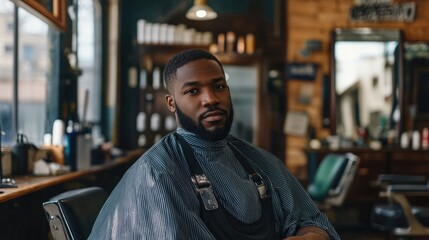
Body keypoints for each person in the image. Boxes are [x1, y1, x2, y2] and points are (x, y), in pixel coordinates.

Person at [89, 49, 340, 240]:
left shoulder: (259, 160)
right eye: (193, 91)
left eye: (218, 86)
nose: (211, 99)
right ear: (171, 103)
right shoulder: (157, 174)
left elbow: (315, 223)